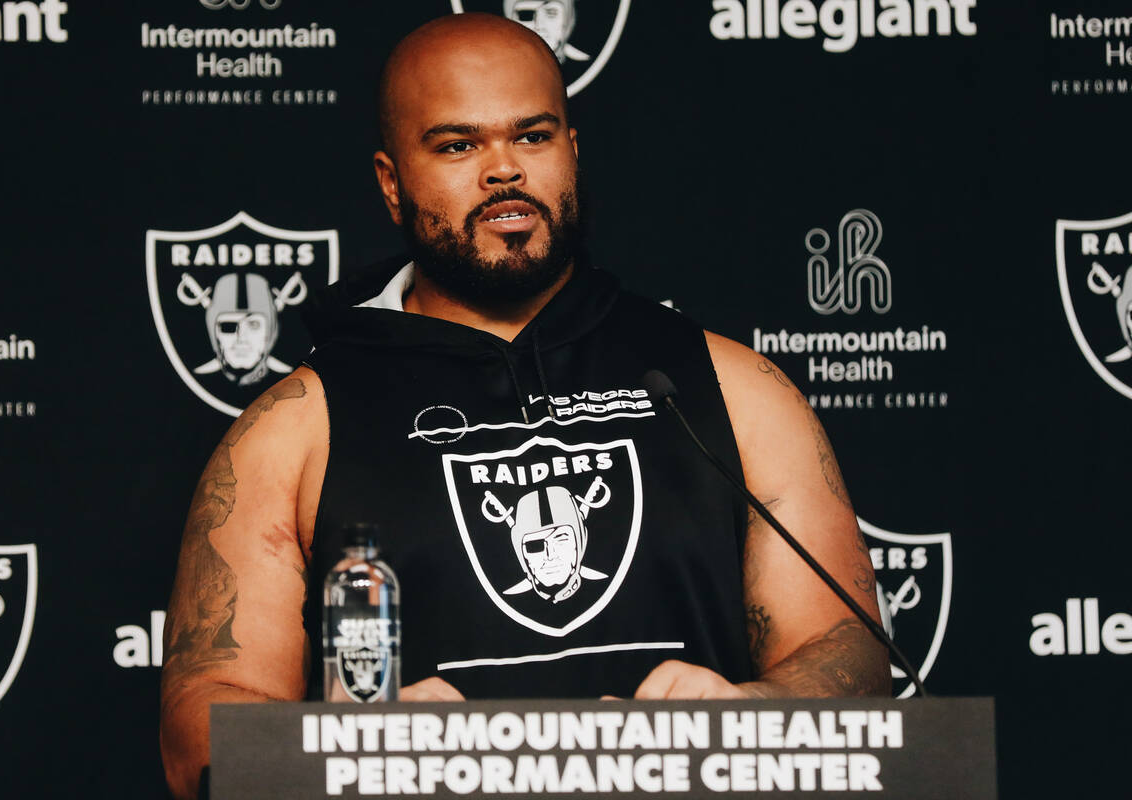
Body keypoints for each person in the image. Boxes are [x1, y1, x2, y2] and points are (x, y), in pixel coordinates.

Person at [159, 12, 889, 799]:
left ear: (573, 152)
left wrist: (754, 712)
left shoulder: (727, 384)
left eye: (532, 136)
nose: (503, 170)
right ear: (390, 180)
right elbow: (199, 732)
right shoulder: (296, 426)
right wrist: (357, 748)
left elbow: (850, 649)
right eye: (457, 145)